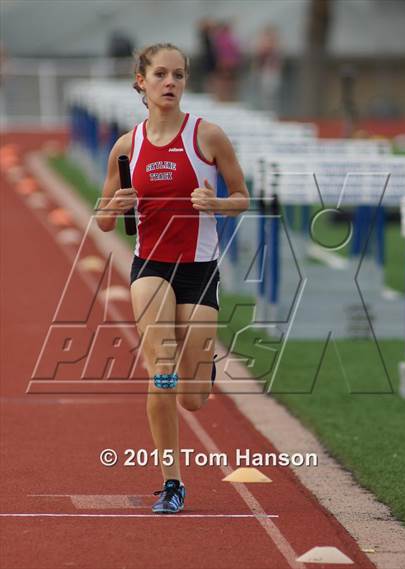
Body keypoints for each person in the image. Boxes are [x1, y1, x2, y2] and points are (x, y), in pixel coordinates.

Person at [95, 43, 249, 514]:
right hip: (150, 268)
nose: (170, 83)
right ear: (140, 81)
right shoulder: (127, 147)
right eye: (160, 74)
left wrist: (217, 204)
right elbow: (103, 219)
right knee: (161, 370)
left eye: (178, 75)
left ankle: (197, 370)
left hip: (199, 272)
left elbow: (242, 196)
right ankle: (172, 481)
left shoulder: (209, 137)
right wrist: (113, 207)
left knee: (194, 399)